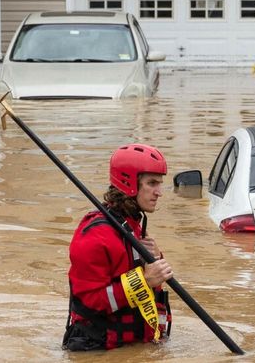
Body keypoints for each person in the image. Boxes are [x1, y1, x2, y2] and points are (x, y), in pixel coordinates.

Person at [63, 143, 173, 351]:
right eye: (152, 183)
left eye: (160, 183)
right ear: (129, 183)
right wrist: (144, 280)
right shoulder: (95, 236)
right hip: (96, 349)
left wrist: (156, 258)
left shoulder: (132, 226)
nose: (160, 192)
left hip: (132, 346)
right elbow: (89, 302)